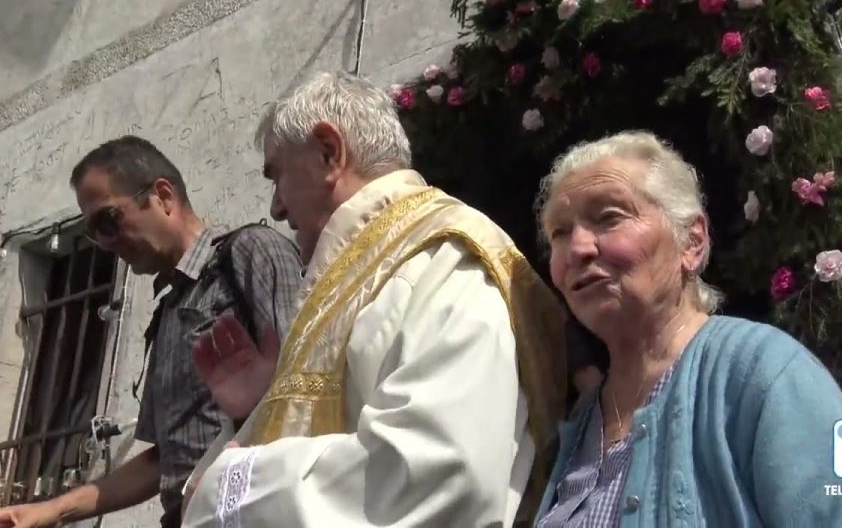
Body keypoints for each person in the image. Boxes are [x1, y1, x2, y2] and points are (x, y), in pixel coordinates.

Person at [180, 71, 567, 527]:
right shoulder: (357, 274)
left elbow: (435, 474)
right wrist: (257, 412)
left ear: (328, 152)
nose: (276, 208)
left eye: (276, 175)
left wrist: (228, 491)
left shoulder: (444, 258)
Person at [533, 131, 842, 526]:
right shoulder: (582, 421)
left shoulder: (764, 371)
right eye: (560, 232)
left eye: (609, 217)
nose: (577, 249)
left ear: (692, 241)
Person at [0, 136, 303, 528]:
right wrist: (52, 510)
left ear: (163, 195)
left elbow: (304, 388)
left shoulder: (248, 254)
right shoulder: (168, 309)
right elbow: (165, 458)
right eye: (94, 232)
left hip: (250, 511)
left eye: (109, 221)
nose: (106, 244)